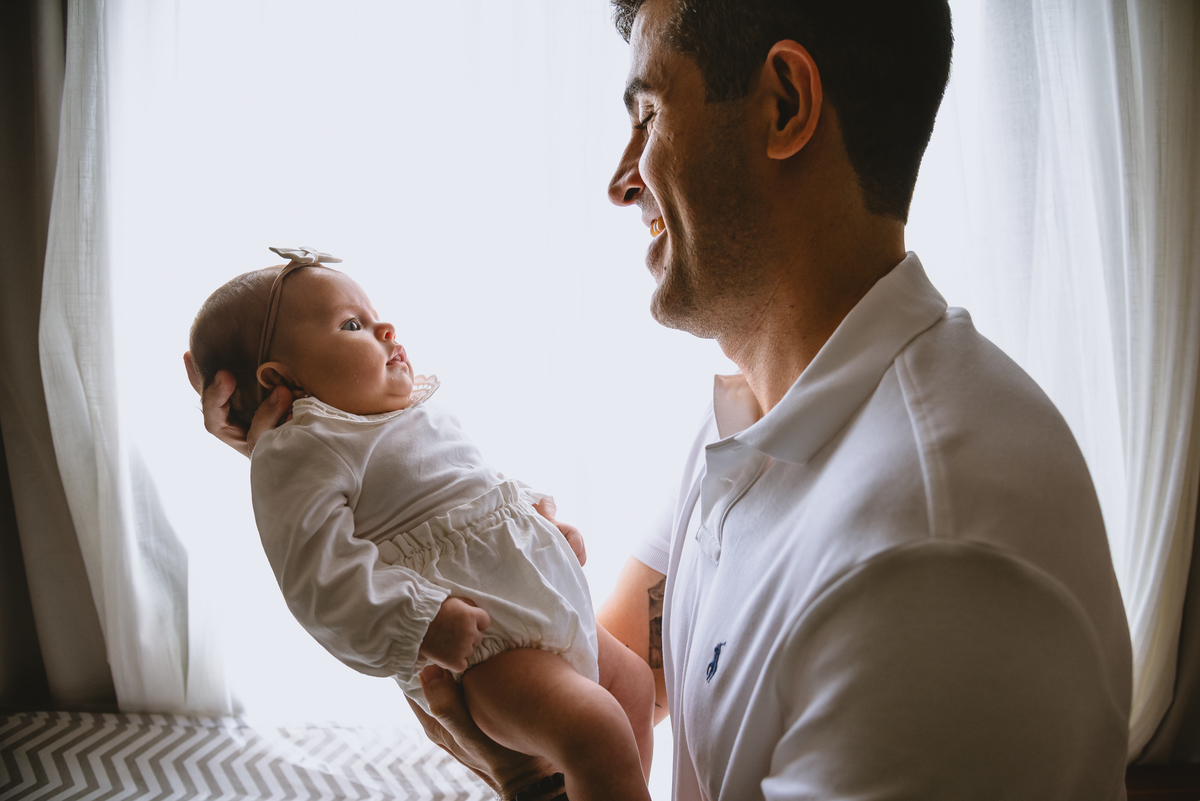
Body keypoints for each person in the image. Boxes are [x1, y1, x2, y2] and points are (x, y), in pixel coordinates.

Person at [189, 1, 1134, 798]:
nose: (619, 178)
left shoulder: (935, 564)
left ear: (785, 104)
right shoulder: (755, 415)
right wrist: (319, 447)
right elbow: (604, 668)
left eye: (647, 114)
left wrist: (524, 778)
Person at [186, 252, 654, 801]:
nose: (385, 328)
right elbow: (320, 581)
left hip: (541, 602)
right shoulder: (300, 447)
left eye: (374, 314)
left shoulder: (410, 408)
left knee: (634, 688)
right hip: (481, 644)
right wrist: (419, 620)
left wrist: (540, 516)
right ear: (281, 379)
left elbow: (471, 483)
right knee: (594, 727)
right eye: (352, 325)